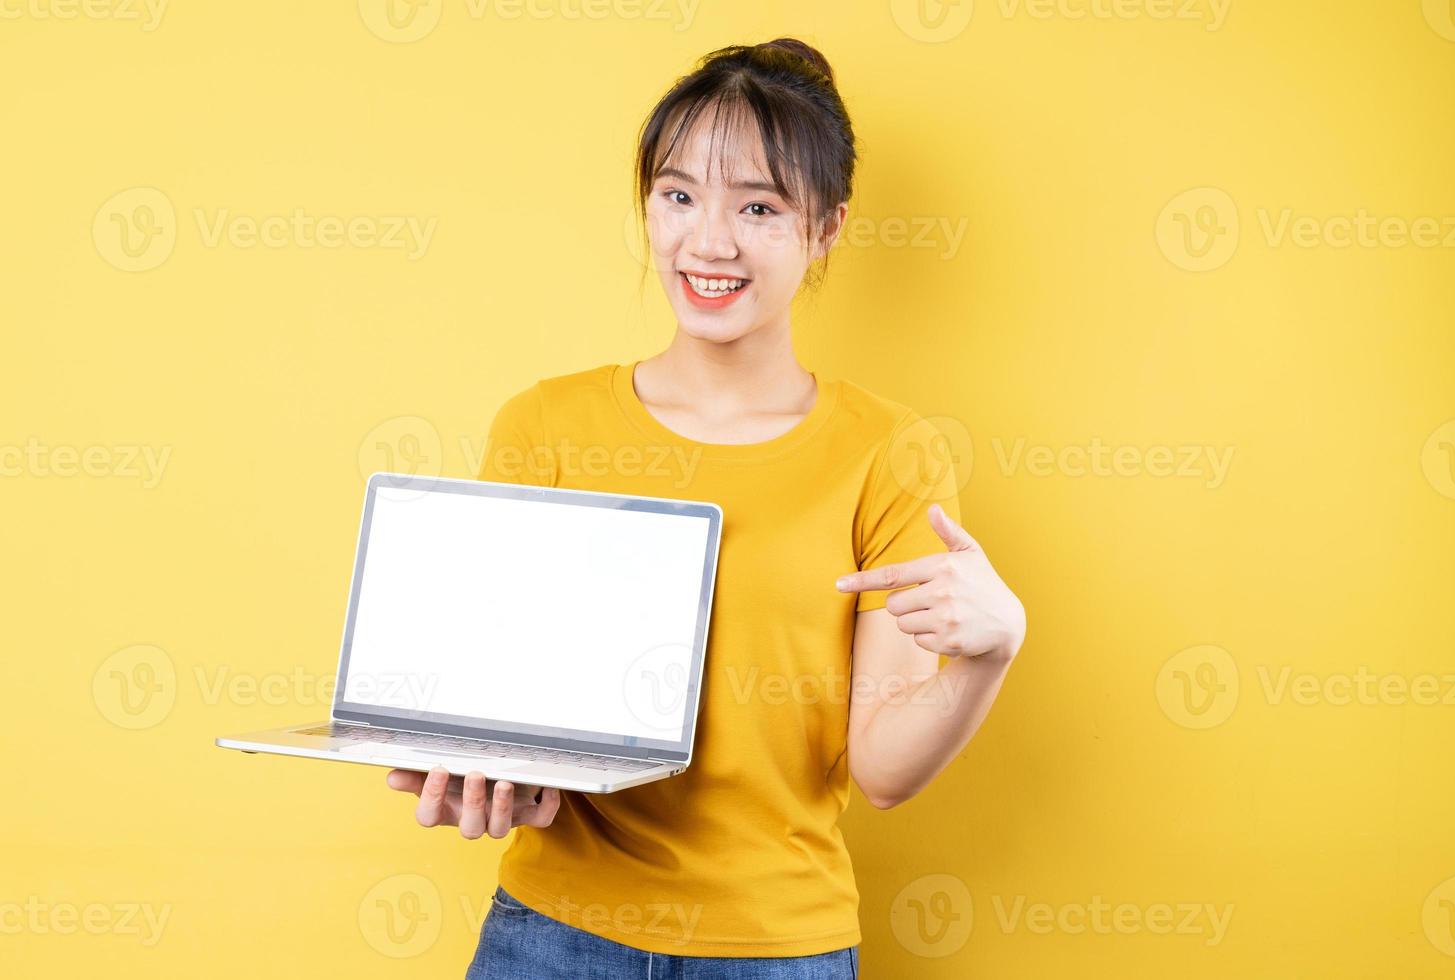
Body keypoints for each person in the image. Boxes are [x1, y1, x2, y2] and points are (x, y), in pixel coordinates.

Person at [385, 37, 1026, 979]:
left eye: (758, 207)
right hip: (552, 935)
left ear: (828, 228)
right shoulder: (544, 425)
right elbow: (508, 707)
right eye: (678, 195)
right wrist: (491, 778)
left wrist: (991, 650)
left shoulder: (888, 452)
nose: (708, 240)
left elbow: (883, 768)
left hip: (777, 950)